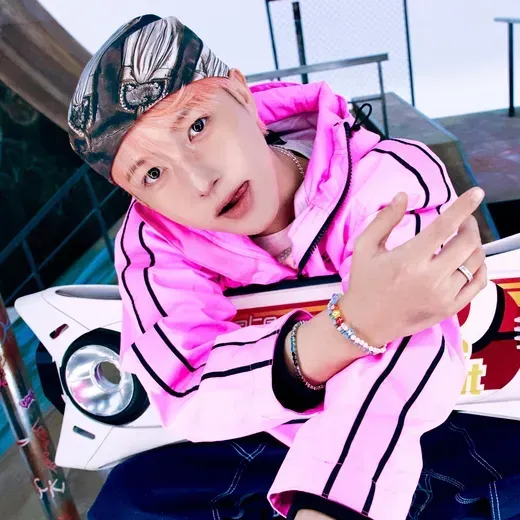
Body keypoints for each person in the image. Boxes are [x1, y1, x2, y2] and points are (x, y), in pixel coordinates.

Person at [67, 13, 511, 520]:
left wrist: (326, 503)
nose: (200, 181)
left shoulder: (386, 175)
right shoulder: (153, 238)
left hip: (426, 419)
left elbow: (413, 352)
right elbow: (183, 384)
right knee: (129, 501)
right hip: (265, 433)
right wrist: (352, 327)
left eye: (197, 126)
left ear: (242, 95)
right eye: (152, 173)